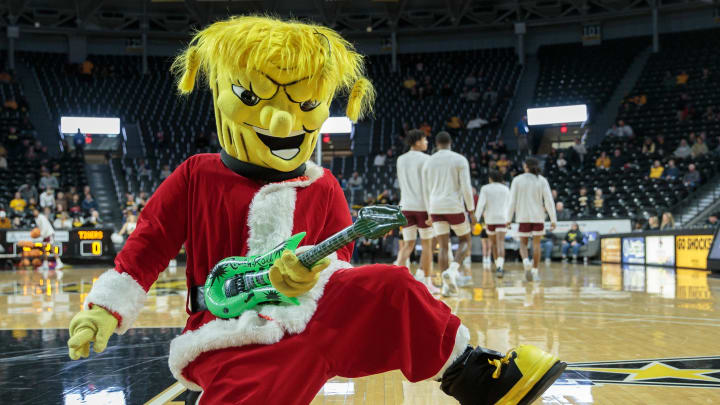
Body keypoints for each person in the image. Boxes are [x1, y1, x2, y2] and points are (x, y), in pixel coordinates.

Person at [65, 17, 566, 405]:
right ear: (221, 95)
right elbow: (148, 243)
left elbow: (340, 266)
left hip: (314, 322)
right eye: (254, 97)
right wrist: (105, 309)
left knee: (392, 286)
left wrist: (310, 278)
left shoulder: (323, 184)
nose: (283, 118)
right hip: (228, 334)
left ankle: (477, 378)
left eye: (305, 102)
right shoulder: (197, 173)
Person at [423, 132, 475, 295]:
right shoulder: (459, 159)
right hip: (454, 206)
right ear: (450, 142)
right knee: (465, 240)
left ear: (436, 143)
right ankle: (452, 271)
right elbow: (466, 187)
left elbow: (426, 190)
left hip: (435, 207)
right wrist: (471, 210)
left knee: (443, 246)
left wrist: (429, 213)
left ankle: (446, 287)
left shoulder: (428, 162)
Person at [395, 129, 437, 293]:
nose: (427, 143)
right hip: (422, 207)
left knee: (407, 245)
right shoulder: (427, 159)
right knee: (427, 245)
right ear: (418, 141)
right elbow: (428, 187)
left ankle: (395, 278)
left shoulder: (400, 159)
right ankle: (427, 283)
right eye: (425, 140)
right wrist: (430, 211)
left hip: (405, 206)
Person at [506, 157, 557, 281]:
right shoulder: (542, 180)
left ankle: (525, 262)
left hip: (523, 216)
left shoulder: (517, 180)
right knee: (537, 244)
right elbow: (549, 201)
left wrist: (508, 219)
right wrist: (553, 219)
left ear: (526, 166)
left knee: (523, 244)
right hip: (538, 217)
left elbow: (511, 201)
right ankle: (534, 271)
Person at [475, 170, 510, 277]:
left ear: (490, 178)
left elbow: (480, 205)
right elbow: (509, 205)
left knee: (494, 244)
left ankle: (497, 266)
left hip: (490, 219)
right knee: (500, 243)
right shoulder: (505, 189)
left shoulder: (485, 188)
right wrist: (509, 219)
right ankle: (500, 267)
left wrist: (475, 219)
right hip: (502, 218)